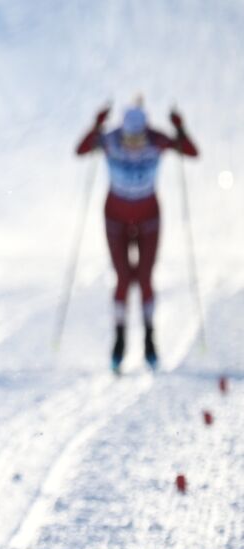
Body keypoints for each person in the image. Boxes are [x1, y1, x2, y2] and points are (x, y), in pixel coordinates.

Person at [75, 103, 197, 371]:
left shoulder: (157, 140)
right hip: (115, 218)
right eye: (128, 139)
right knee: (122, 278)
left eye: (138, 138)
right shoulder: (110, 140)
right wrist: (96, 124)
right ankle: (119, 342)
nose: (133, 145)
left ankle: (150, 341)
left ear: (145, 131)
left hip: (148, 219)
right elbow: (81, 150)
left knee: (144, 278)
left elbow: (191, 152)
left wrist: (179, 127)